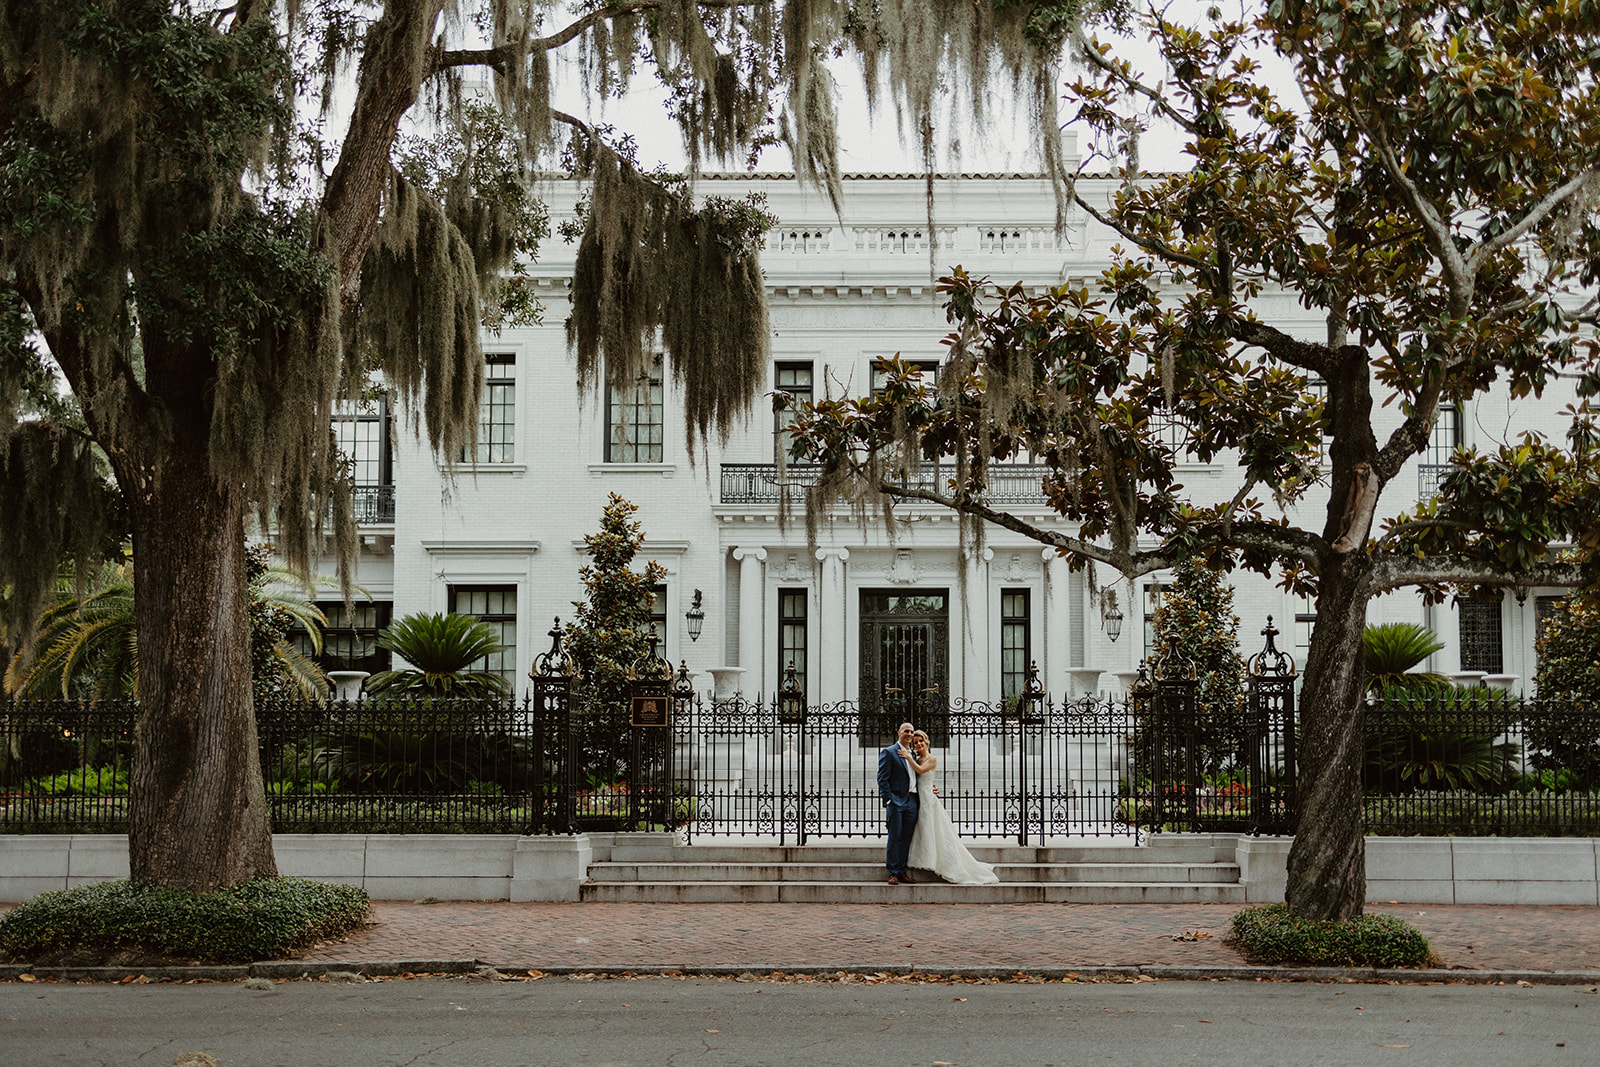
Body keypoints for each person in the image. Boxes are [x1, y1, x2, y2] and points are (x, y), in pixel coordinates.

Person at [901, 729, 999, 885]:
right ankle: (926, 859)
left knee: (933, 828)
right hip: (919, 796)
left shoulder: (931, 759)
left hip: (928, 798)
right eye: (915, 742)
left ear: (927, 742)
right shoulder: (916, 758)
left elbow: (920, 771)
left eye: (921, 741)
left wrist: (907, 757)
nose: (918, 744)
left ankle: (941, 862)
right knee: (924, 828)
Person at [876, 721, 919, 884]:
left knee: (906, 837)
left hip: (912, 801)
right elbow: (882, 778)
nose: (909, 734)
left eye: (912, 732)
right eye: (906, 731)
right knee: (895, 836)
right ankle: (893, 872)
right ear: (899, 732)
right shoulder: (889, 752)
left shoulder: (914, 754)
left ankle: (902, 871)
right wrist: (888, 800)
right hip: (896, 801)